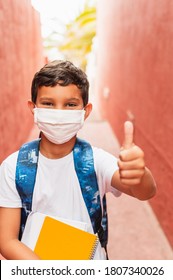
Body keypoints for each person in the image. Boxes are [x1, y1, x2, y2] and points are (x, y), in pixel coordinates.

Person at [0, 60, 156, 260]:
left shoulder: (97, 161)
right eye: (48, 103)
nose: (59, 113)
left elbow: (145, 192)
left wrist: (139, 174)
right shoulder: (12, 168)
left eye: (70, 104)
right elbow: (6, 240)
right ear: (33, 107)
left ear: (86, 110)